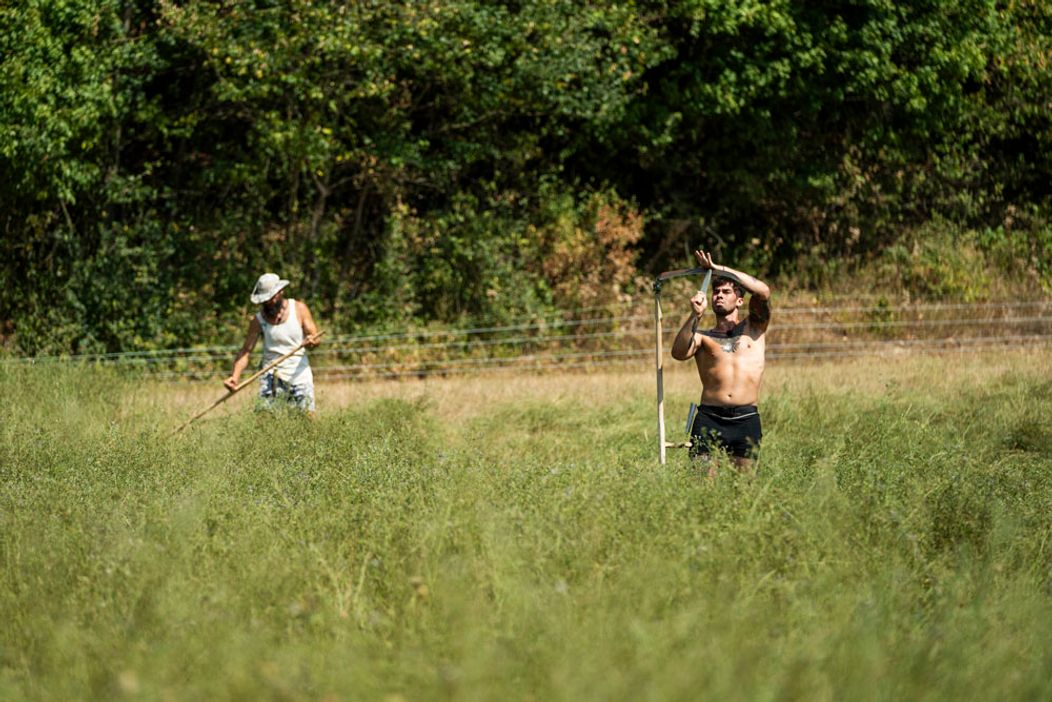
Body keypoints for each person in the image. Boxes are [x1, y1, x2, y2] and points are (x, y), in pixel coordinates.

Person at [670, 250, 771, 474]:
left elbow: (763, 290)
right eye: (716, 291)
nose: (719, 295)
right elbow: (678, 353)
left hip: (745, 419)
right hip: (709, 419)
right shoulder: (703, 336)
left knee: (743, 489)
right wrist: (694, 316)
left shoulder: (754, 327)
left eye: (726, 291)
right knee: (702, 488)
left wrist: (719, 268)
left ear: (740, 300)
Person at [224, 273, 322, 414]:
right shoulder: (258, 320)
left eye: (269, 298)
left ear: (280, 292)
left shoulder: (299, 309)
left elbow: (315, 338)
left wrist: (311, 342)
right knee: (264, 420)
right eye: (264, 300)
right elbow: (246, 351)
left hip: (299, 374)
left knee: (307, 418)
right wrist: (235, 377)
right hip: (271, 375)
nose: (266, 303)